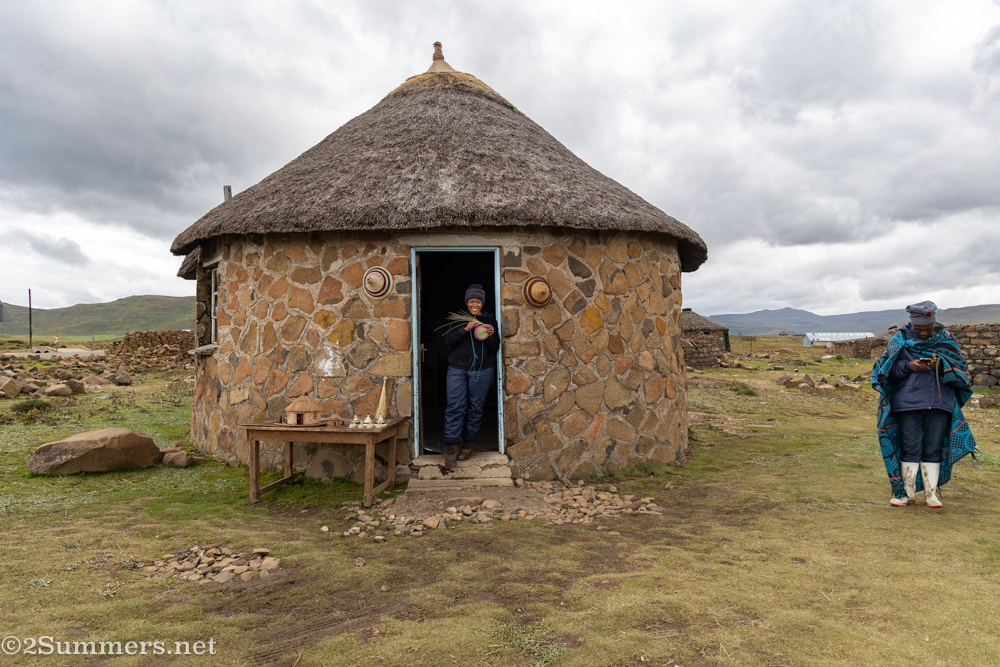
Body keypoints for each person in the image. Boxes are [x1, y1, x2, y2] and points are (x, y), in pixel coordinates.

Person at [871, 301, 978, 508]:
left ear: (934, 323)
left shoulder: (947, 340)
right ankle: (906, 494)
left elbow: (962, 372)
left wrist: (942, 366)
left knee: (933, 448)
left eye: (928, 329)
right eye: (919, 329)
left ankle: (931, 495)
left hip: (940, 403)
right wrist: (908, 366)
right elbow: (883, 372)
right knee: (909, 448)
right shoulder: (898, 340)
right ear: (912, 324)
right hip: (907, 404)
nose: (924, 333)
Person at [442, 284, 499, 469]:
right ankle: (452, 445)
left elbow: (495, 347)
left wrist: (490, 333)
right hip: (457, 369)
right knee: (455, 405)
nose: (475, 304)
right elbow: (448, 342)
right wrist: (465, 329)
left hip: (482, 370)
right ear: (467, 303)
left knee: (475, 407)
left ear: (482, 303)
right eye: (472, 301)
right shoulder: (459, 318)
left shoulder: (490, 319)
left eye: (478, 301)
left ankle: (468, 443)